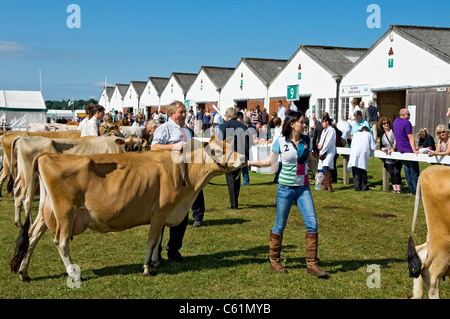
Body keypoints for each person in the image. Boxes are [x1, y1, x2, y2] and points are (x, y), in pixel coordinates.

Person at [248, 111, 329, 278]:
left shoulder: (306, 140)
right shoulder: (280, 141)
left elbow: (311, 161)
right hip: (285, 189)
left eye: (305, 122)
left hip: (303, 189)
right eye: (302, 122)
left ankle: (312, 265)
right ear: (292, 124)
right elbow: (269, 162)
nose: (305, 125)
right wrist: (248, 163)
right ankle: (274, 260)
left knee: (312, 224)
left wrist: (317, 174)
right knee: (280, 225)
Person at [151, 101, 206, 263]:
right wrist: (174, 146)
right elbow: (154, 147)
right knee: (162, 214)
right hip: (168, 177)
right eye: (181, 112)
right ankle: (156, 251)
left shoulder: (188, 130)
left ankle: (174, 250)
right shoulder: (164, 128)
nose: (184, 115)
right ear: (171, 113)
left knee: (182, 213)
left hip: (187, 177)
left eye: (185, 112)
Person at [219, 107, 250, 209]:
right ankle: (235, 200)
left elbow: (220, 143)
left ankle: (234, 204)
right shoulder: (243, 126)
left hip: (229, 156)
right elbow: (248, 142)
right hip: (240, 156)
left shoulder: (224, 126)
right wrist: (246, 156)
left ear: (227, 116)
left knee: (230, 179)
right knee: (237, 178)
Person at [393, 108, 420, 195]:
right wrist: (415, 150)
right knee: (414, 172)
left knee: (407, 172)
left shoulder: (395, 122)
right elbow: (410, 137)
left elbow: (396, 137)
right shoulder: (406, 123)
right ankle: (417, 192)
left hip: (401, 150)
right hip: (408, 150)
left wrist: (394, 148)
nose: (409, 116)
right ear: (403, 115)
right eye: (408, 114)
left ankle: (412, 190)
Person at [378, 117, 402, 193]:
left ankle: (399, 189)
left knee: (397, 172)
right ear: (382, 125)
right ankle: (395, 189)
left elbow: (397, 140)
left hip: (396, 153)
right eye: (384, 123)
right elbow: (381, 146)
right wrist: (384, 149)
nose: (386, 124)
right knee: (391, 172)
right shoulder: (382, 135)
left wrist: (393, 149)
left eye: (387, 123)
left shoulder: (394, 132)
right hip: (388, 156)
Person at [348, 126, 376, 191]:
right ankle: (364, 186)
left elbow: (352, 145)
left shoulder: (355, 134)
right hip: (363, 152)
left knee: (356, 169)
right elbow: (373, 147)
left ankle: (357, 187)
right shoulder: (369, 134)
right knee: (363, 169)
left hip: (354, 152)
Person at [317, 117, 336, 192]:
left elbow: (329, 142)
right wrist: (319, 145)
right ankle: (325, 185)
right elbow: (321, 140)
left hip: (329, 151)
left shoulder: (332, 130)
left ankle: (329, 186)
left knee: (325, 167)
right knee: (322, 168)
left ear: (327, 122)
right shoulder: (324, 131)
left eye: (323, 122)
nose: (322, 123)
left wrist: (322, 151)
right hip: (322, 151)